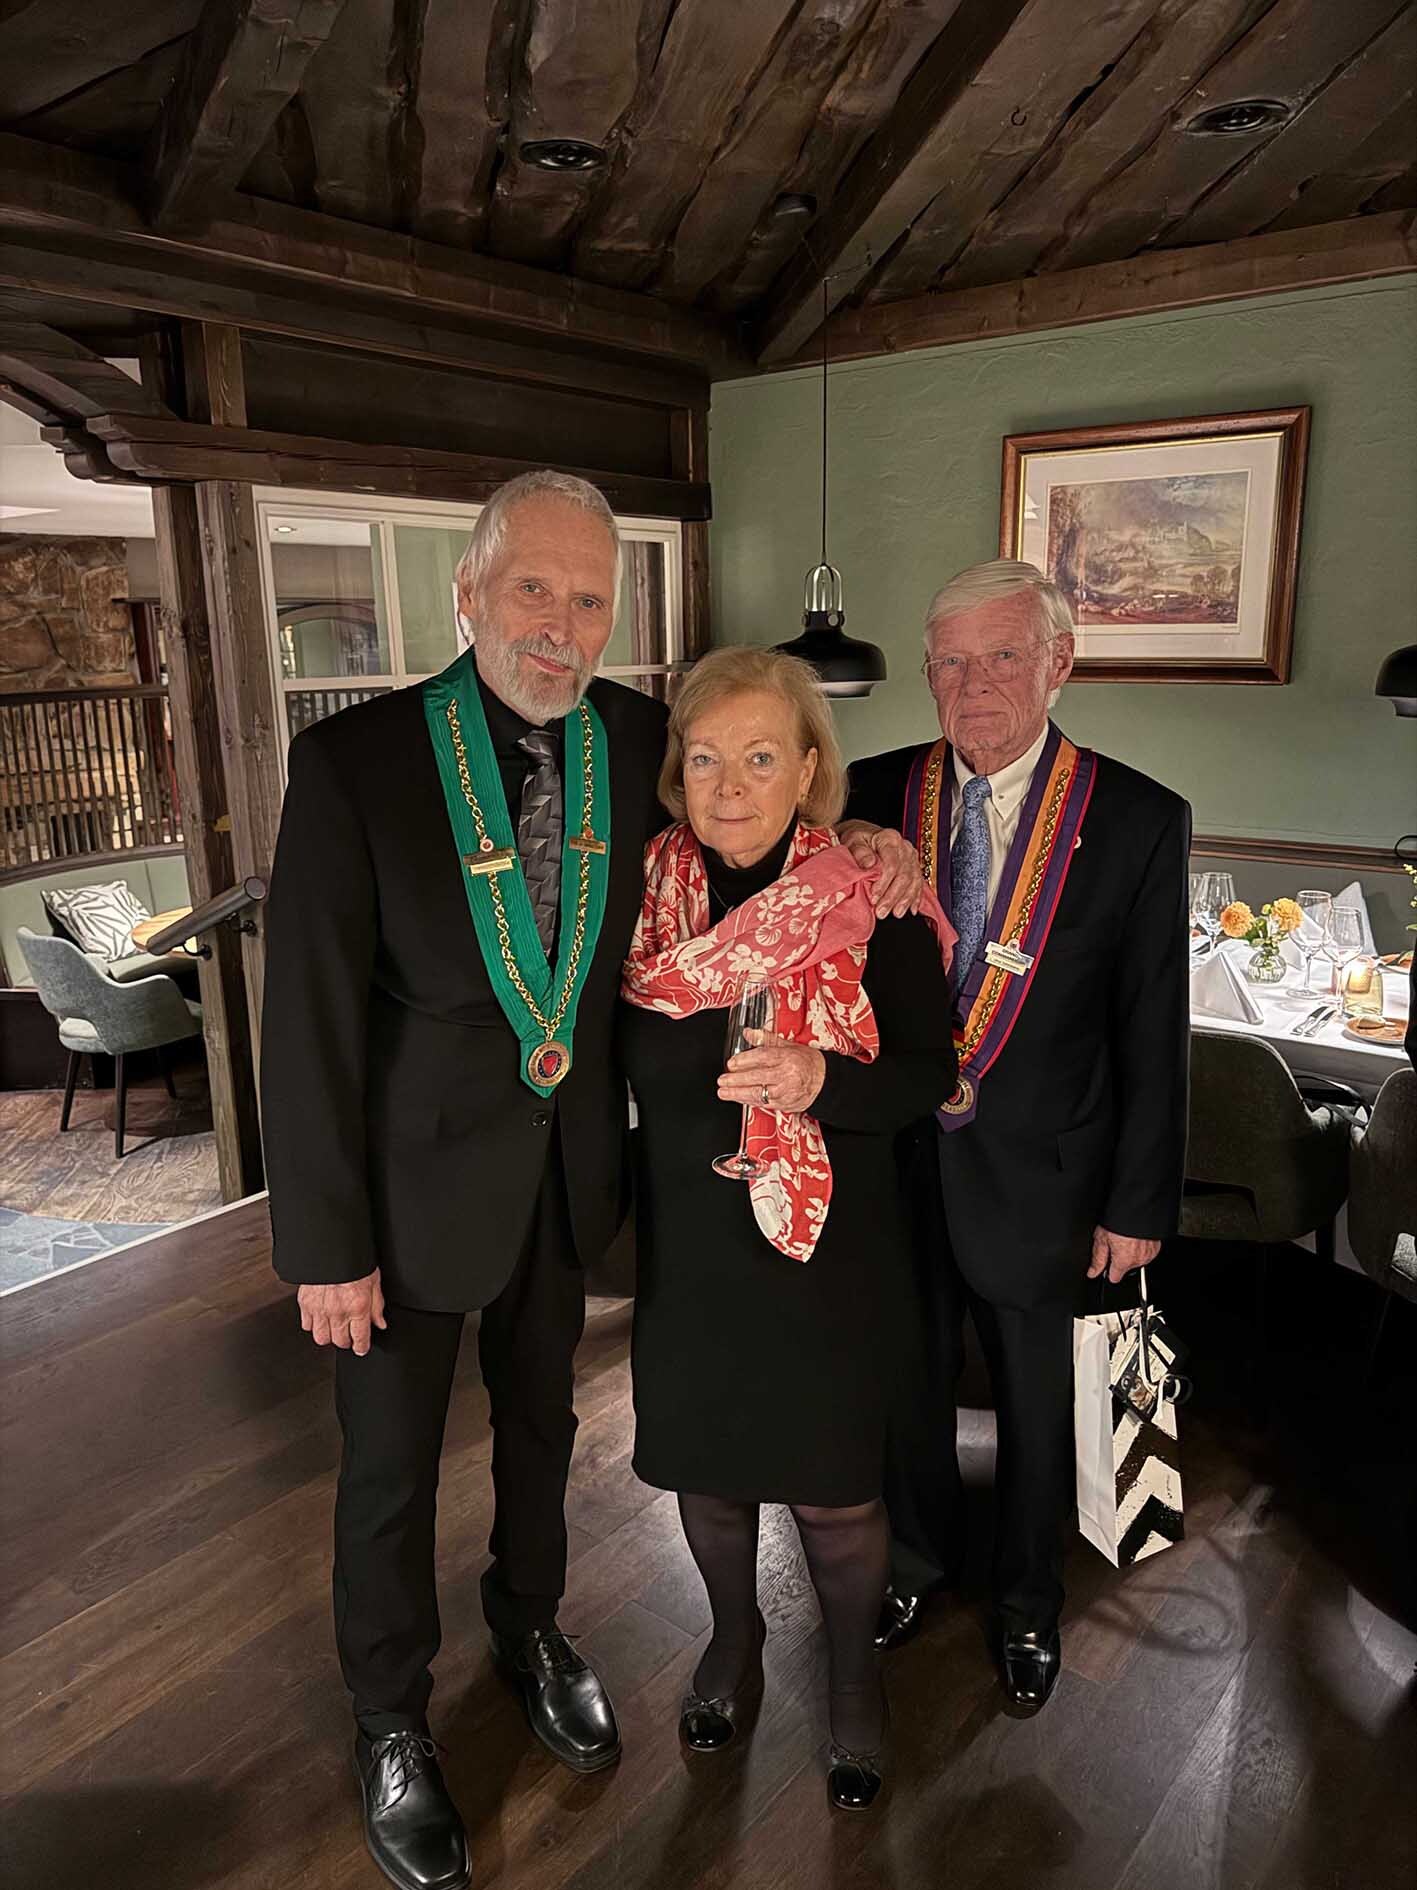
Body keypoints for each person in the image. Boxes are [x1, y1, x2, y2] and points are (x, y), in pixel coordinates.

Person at [261, 474, 924, 1890]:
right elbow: (304, 1017)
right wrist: (323, 1241)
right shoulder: (355, 761)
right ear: (467, 591)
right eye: (531, 590)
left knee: (542, 1433)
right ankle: (390, 1717)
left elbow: (771, 793)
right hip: (400, 1200)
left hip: (565, 1180)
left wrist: (872, 839)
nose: (558, 626)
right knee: (385, 1473)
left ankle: (530, 1626)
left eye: (586, 599)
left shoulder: (635, 740)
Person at [846, 559, 1191, 1714]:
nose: (973, 683)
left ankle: (1028, 1602)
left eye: (1002, 656)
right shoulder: (873, 793)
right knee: (903, 1387)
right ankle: (912, 1565)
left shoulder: (1136, 818)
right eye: (949, 661)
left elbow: (1151, 1026)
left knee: (1040, 1407)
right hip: (896, 1166)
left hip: (1048, 1176)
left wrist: (1138, 1203)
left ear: (1059, 664)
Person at [620, 647, 957, 1813]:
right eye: (706, 757)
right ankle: (733, 1636)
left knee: (832, 1493)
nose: (728, 785)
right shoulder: (640, 897)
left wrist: (822, 1079)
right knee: (706, 1477)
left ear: (809, 769)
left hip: (826, 1252)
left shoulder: (869, 898)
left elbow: (927, 1073)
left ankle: (852, 1674)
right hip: (689, 1244)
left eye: (761, 758)